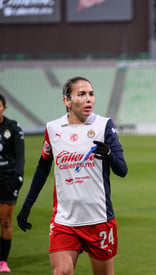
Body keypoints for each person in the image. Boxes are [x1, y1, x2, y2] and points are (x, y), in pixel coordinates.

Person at [16, 76, 128, 275]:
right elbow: (43, 167)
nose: (88, 99)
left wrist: (109, 155)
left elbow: (122, 170)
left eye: (91, 94)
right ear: (67, 101)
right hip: (64, 220)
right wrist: (27, 204)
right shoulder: (53, 128)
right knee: (62, 272)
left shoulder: (104, 126)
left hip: (99, 218)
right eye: (81, 94)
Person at [0, 94, 25, 273]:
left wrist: (19, 177)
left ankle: (2, 261)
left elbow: (20, 155)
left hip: (7, 179)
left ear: (4, 107)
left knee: (5, 221)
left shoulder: (12, 128)